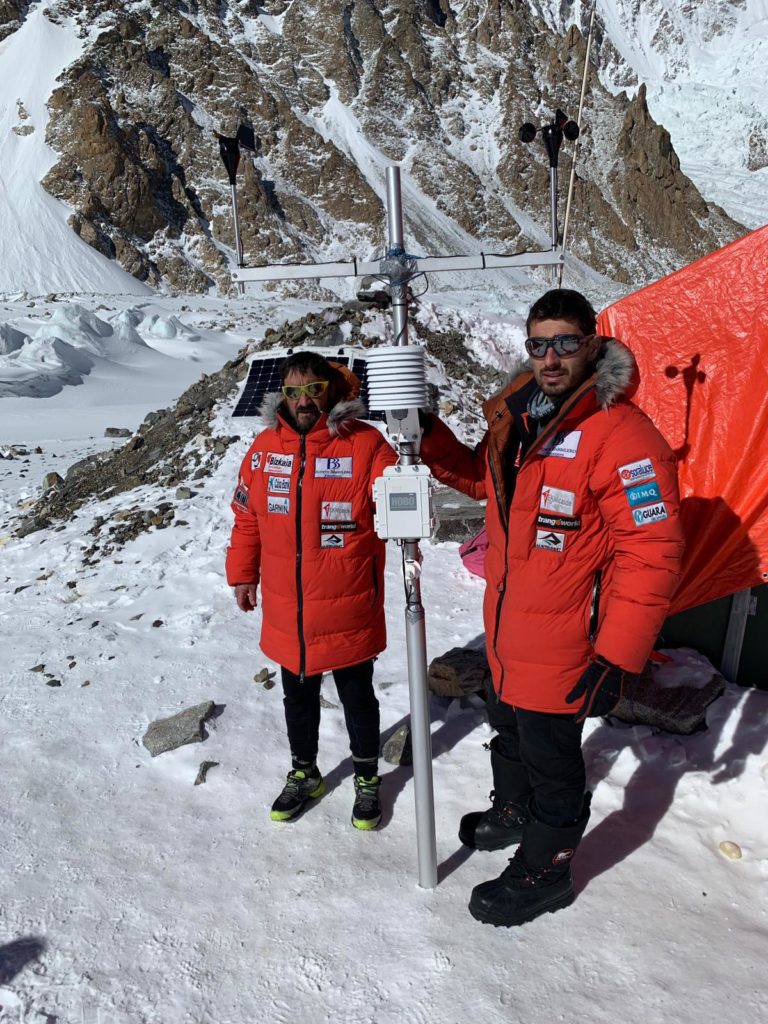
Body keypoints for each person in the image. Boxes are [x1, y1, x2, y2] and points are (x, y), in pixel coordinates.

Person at [419, 289, 684, 926]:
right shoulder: (523, 419)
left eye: (566, 343)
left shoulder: (622, 434)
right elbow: (486, 482)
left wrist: (619, 652)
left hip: (567, 639)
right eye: (539, 345)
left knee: (551, 752)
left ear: (593, 344)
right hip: (508, 632)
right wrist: (429, 438)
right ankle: (514, 812)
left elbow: (653, 550)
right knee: (507, 724)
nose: (551, 358)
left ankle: (548, 865)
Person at [226, 351, 397, 830]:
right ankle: (305, 771)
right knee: (296, 695)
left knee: (357, 695)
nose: (303, 401)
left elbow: (398, 503)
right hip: (288, 606)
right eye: (293, 391)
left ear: (333, 390)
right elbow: (247, 517)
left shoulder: (366, 445)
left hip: (348, 602)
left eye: (314, 390)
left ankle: (366, 776)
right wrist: (243, 574)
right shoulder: (263, 449)